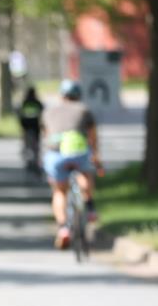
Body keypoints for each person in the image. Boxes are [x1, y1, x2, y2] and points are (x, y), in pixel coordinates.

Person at [41, 79, 102, 250]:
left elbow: (45, 134)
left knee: (59, 191)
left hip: (55, 153)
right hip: (78, 151)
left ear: (62, 95)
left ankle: (62, 229)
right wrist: (96, 157)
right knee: (85, 173)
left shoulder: (49, 111)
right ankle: (90, 207)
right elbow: (92, 136)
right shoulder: (84, 110)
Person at [18, 86, 44, 176]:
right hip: (36, 126)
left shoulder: (25, 102)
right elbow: (42, 114)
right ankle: (36, 161)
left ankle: (27, 157)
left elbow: (20, 114)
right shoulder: (37, 103)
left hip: (26, 126)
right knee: (36, 145)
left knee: (27, 143)